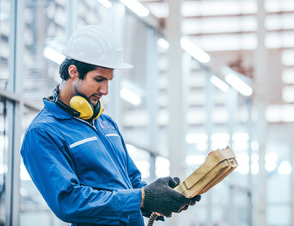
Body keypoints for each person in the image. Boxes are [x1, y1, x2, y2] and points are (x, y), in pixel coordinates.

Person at [21, 25, 200, 226]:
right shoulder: (43, 132)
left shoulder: (105, 123)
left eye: (109, 80)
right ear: (73, 72)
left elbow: (131, 183)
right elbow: (68, 201)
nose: (105, 90)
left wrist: (165, 196)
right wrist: (141, 198)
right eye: (99, 79)